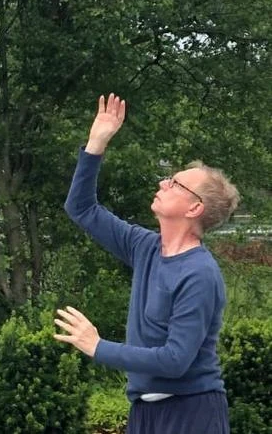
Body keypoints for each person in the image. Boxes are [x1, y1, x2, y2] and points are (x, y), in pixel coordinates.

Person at [53, 93, 239, 434]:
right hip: (144, 414)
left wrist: (98, 347)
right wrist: (96, 142)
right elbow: (81, 208)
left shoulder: (200, 274)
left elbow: (174, 360)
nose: (162, 183)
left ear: (195, 208)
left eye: (175, 183)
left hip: (192, 416)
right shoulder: (145, 247)